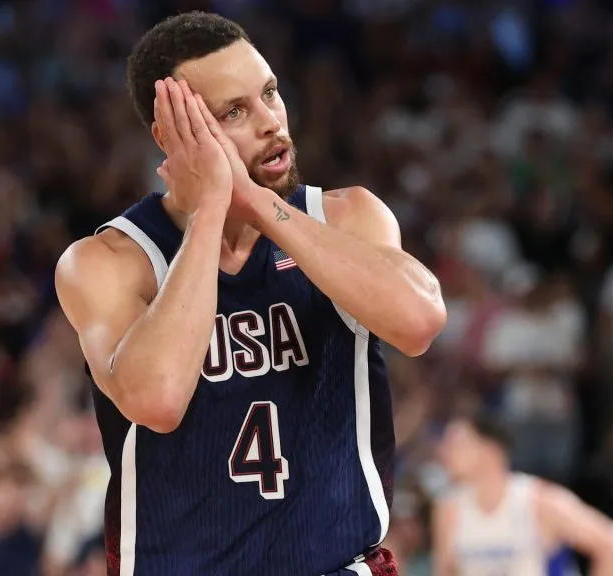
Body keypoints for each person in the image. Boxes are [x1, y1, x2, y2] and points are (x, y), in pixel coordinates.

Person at [54, 11, 446, 576]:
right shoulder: (110, 261)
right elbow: (157, 399)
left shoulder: (346, 215)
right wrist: (210, 209)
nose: (270, 122)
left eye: (270, 94)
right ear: (172, 137)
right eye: (234, 112)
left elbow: (420, 322)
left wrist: (256, 203)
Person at [432, 412, 613, 576]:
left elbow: (612, 549)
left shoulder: (539, 500)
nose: (444, 452)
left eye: (455, 444)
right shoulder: (449, 509)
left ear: (491, 450)